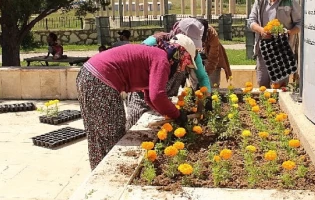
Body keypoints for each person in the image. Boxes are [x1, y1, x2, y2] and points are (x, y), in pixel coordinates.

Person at [76, 34, 197, 170]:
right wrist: (177, 114)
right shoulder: (161, 60)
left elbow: (149, 96)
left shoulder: (155, 55)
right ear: (181, 54)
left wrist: (166, 114)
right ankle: (109, 173)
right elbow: (157, 96)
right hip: (99, 81)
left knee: (97, 132)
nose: (184, 67)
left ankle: (97, 171)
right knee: (111, 131)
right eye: (187, 61)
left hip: (88, 75)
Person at [125, 18, 212, 130]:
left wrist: (207, 96)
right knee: (135, 129)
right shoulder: (156, 41)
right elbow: (137, 62)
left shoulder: (191, 51)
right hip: (142, 96)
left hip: (165, 99)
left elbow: (202, 76)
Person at [247, 0, 301, 88]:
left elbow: (300, 24)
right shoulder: (260, 0)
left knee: (280, 86)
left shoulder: (290, 0)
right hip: (264, 49)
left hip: (283, 50)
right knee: (262, 84)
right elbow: (251, 21)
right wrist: (261, 30)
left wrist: (289, 32)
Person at [197, 19, 232, 87]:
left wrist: (205, 74)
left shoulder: (213, 34)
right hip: (196, 58)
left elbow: (213, 59)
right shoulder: (190, 31)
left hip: (213, 59)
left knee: (213, 85)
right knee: (195, 87)